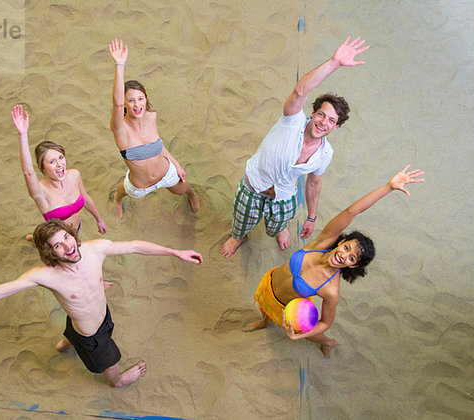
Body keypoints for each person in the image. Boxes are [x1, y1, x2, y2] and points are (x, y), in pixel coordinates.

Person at [0, 219, 203, 387]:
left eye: (66, 237)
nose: (68, 245)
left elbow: (136, 245)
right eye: (58, 245)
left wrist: (175, 252)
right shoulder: (45, 275)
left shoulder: (94, 249)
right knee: (110, 364)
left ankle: (66, 343)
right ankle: (118, 381)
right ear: (50, 254)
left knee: (71, 330)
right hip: (92, 337)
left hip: (96, 317)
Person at [243, 165, 424, 358]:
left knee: (308, 333)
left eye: (352, 258)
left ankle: (329, 342)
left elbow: (325, 323)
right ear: (342, 242)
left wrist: (297, 337)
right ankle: (264, 322)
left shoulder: (330, 290)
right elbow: (352, 211)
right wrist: (388, 186)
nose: (344, 256)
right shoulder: (322, 242)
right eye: (347, 248)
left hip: (287, 308)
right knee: (263, 305)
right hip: (269, 285)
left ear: (353, 265)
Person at [222, 36, 370, 258]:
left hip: (283, 197)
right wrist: (334, 62)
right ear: (312, 113)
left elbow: (313, 182)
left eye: (332, 120)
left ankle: (279, 228)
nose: (323, 122)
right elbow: (301, 90)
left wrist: (311, 217)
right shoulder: (291, 121)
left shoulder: (325, 154)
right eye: (322, 114)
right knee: (242, 221)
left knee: (277, 225)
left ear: (336, 127)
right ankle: (239, 236)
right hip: (253, 187)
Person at [108, 38, 199, 219]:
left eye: (140, 99)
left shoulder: (151, 117)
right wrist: (120, 65)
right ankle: (117, 200)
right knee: (123, 189)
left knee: (183, 188)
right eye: (131, 100)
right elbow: (117, 104)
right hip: (140, 186)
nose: (137, 105)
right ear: (125, 104)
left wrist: (177, 164)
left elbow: (158, 145)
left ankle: (192, 195)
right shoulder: (120, 129)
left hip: (166, 173)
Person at [11, 104, 107, 239]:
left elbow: (86, 199)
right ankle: (36, 239)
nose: (59, 165)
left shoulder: (74, 175)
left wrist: (99, 219)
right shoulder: (40, 192)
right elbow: (28, 172)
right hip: (58, 240)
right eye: (52, 162)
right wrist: (23, 135)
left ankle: (35, 238)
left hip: (75, 231)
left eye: (61, 157)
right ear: (41, 168)